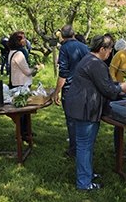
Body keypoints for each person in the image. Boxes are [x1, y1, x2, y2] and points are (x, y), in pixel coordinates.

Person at [64, 35, 126, 191]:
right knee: (84, 146)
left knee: (86, 145)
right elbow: (107, 89)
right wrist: (121, 88)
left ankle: (87, 174)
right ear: (102, 49)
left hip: (84, 106)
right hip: (84, 108)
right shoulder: (96, 63)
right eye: (109, 50)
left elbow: (104, 84)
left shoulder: (89, 59)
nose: (110, 54)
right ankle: (84, 183)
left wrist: (118, 86)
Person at [53, 25, 90, 158]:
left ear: (62, 36)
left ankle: (74, 149)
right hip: (85, 89)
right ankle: (84, 147)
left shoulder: (64, 48)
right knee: (83, 119)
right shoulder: (84, 47)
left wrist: (57, 91)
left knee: (71, 120)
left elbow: (64, 72)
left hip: (71, 89)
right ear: (74, 34)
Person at [8, 31, 37, 141]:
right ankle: (21, 134)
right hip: (21, 84)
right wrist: (35, 70)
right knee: (22, 111)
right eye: (23, 39)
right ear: (18, 41)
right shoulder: (19, 54)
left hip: (17, 82)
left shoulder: (12, 52)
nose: (25, 40)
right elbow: (26, 70)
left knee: (24, 111)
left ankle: (25, 131)